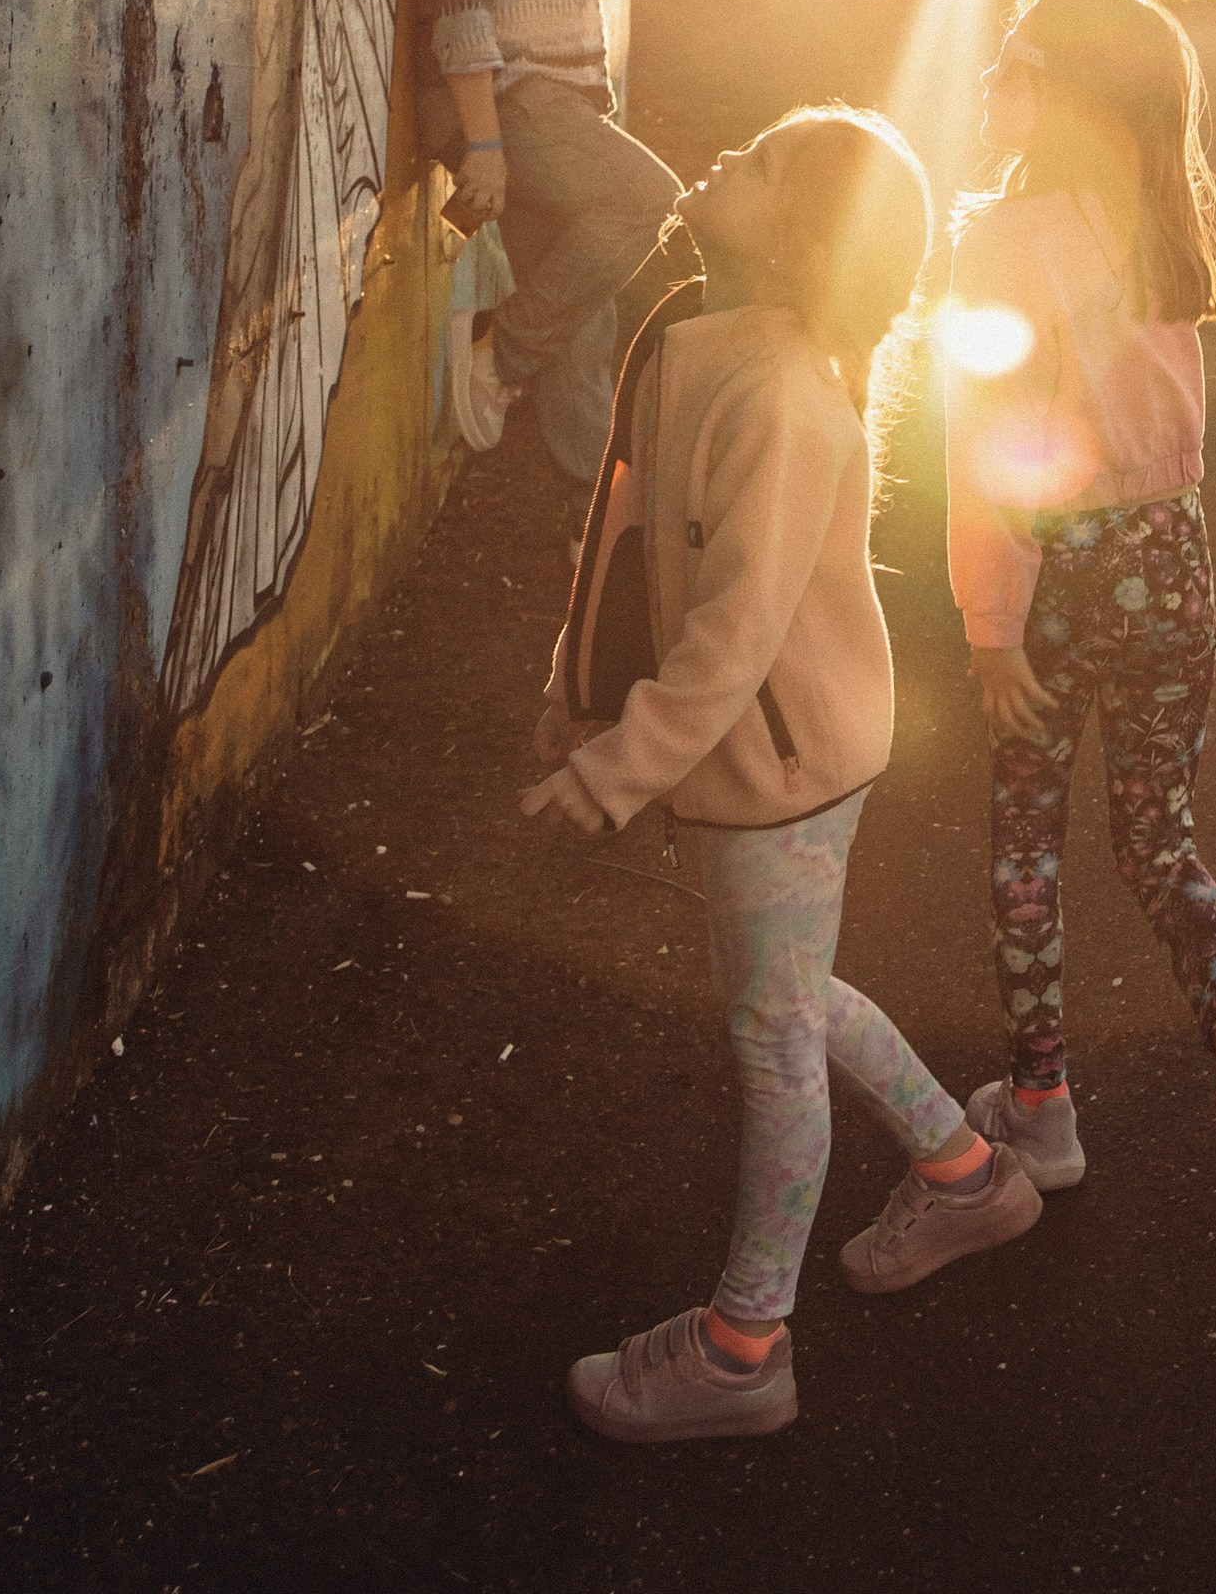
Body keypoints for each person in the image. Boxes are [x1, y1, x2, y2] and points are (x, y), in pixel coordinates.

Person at [522, 107, 1042, 1443]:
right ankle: (968, 1168)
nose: (721, 157)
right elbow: (632, 548)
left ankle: (747, 1349)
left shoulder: (781, 397)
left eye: (754, 164)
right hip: (757, 752)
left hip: (784, 766)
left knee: (772, 1037)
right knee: (791, 997)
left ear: (806, 240)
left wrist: (624, 759)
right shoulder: (701, 342)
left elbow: (735, 628)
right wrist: (574, 699)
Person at [942, 0, 1216, 1260]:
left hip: (1061, 567)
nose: (992, 79)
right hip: (1176, 557)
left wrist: (990, 623)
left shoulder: (1006, 239)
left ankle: (1043, 1108)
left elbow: (991, 444)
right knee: (1159, 838)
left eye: (1012, 59)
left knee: (1026, 845)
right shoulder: (1169, 226)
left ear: (1064, 90)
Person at [414, 0, 681, 529]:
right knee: (646, 200)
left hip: (554, 104)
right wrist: (485, 146)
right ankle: (501, 358)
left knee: (585, 322)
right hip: (519, 104)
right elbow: (460, 17)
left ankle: (591, 524)